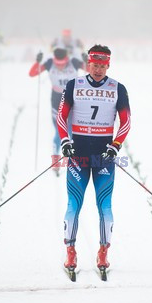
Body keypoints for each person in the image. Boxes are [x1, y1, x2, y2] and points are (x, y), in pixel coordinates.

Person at [57, 44, 131, 274]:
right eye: (95, 65)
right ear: (88, 63)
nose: (98, 69)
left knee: (105, 207)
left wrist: (115, 146)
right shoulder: (73, 85)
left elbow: (126, 121)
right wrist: (65, 141)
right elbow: (61, 116)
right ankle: (70, 252)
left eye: (103, 65)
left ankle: (103, 252)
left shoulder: (118, 88)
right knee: (73, 205)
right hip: (78, 155)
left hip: (103, 157)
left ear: (108, 65)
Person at [28, 48, 86, 167]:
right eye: (58, 64)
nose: (60, 67)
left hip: (73, 100)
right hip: (56, 100)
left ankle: (74, 160)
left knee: (72, 132)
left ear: (66, 60)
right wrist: (37, 62)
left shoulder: (74, 62)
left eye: (63, 64)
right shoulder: (50, 63)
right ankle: (55, 161)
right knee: (59, 132)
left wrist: (87, 61)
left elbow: (90, 69)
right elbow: (32, 73)